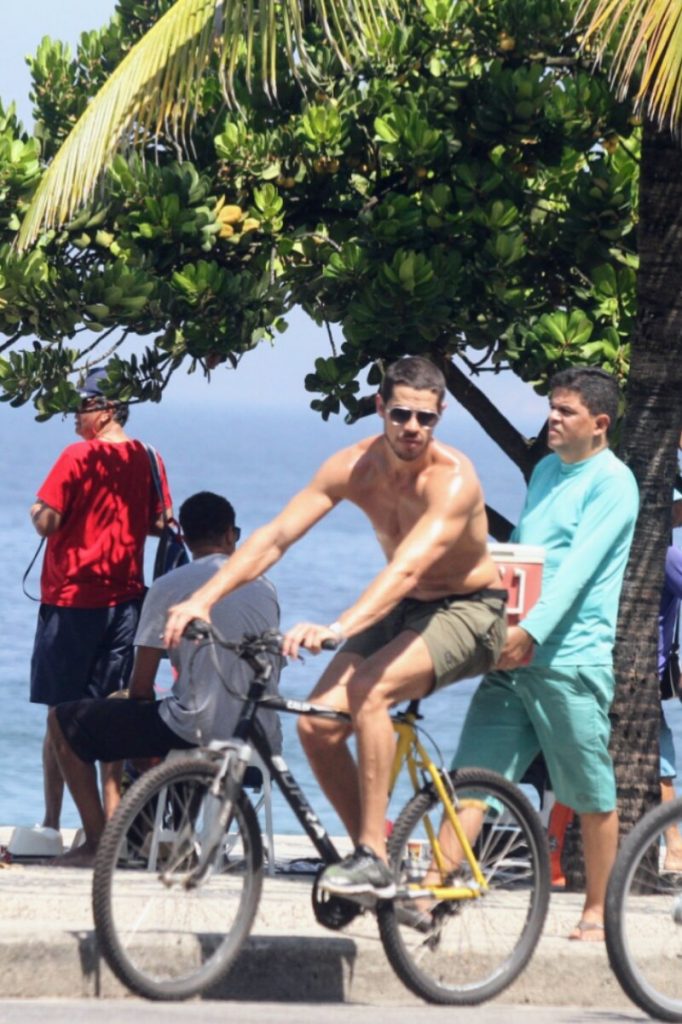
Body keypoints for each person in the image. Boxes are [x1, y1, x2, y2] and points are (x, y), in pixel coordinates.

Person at [164, 355, 508, 898]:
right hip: (404, 605)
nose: (413, 428)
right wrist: (202, 599)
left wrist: (336, 625)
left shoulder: (454, 481)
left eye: (426, 418)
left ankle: (372, 855)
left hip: (468, 608)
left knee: (370, 691)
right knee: (318, 727)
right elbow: (276, 536)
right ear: (380, 408)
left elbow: (409, 567)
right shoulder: (353, 468)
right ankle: (371, 861)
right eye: (401, 415)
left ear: (440, 416)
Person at [451, 366, 639, 942]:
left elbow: (576, 573)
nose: (552, 419)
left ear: (599, 424)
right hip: (513, 653)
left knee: (590, 792)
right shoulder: (546, 471)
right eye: (551, 408)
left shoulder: (614, 483)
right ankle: (437, 886)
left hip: (568, 658)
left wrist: (529, 632)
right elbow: (527, 557)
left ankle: (597, 913)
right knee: (471, 779)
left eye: (566, 412)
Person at [47, 490, 282, 866]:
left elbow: (141, 686)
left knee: (64, 720)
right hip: (261, 736)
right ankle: (173, 837)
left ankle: (97, 843)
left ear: (185, 540)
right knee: (153, 723)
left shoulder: (170, 585)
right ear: (230, 535)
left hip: (196, 729)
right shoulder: (264, 587)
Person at [29, 367, 173, 838]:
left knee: (61, 712)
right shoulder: (149, 457)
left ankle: (55, 824)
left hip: (72, 602)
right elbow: (161, 523)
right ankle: (111, 822)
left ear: (105, 410)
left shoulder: (77, 456)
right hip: (127, 603)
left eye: (83, 405)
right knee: (109, 711)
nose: (74, 415)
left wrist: (38, 510)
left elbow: (47, 521)